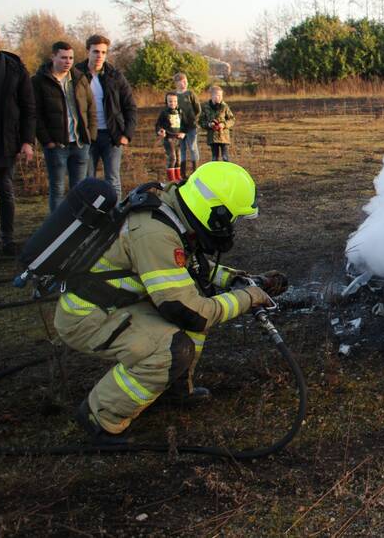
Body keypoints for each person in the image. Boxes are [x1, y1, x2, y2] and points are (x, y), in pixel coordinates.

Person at [54, 162, 288, 443]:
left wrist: (237, 279)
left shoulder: (173, 208)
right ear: (215, 214)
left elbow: (187, 266)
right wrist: (248, 297)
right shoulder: (155, 233)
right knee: (170, 348)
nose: (232, 229)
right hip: (88, 315)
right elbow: (192, 312)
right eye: (232, 220)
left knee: (187, 327)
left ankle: (174, 390)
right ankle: (101, 417)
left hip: (119, 303)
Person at [32, 41, 97, 212]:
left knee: (79, 190)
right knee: (58, 190)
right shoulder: (39, 81)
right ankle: (57, 230)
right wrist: (47, 141)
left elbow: (91, 108)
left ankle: (77, 227)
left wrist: (91, 135)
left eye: (71, 58)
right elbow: (35, 114)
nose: (68, 61)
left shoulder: (79, 78)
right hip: (56, 146)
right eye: (63, 57)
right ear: (53, 57)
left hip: (80, 144)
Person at [0, 22, 35, 255]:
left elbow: (28, 107)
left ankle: (7, 240)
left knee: (5, 189)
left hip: (5, 139)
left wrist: (27, 141)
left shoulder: (15, 68)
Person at [76, 34, 136, 197]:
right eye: (96, 52)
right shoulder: (76, 74)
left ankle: (116, 218)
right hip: (87, 136)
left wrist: (127, 134)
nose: (99, 56)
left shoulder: (115, 75)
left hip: (112, 136)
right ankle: (89, 219)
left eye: (103, 52)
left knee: (113, 180)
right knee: (87, 181)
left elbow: (130, 106)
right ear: (88, 51)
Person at [173, 73, 201, 176]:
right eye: (182, 82)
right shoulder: (174, 95)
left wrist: (193, 121)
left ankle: (195, 171)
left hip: (191, 126)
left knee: (193, 147)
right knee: (182, 149)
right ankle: (183, 174)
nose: (185, 83)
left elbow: (198, 109)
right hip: (179, 128)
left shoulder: (190, 94)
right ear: (176, 83)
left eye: (186, 81)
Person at [198, 84, 234, 161]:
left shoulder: (225, 106)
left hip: (224, 137)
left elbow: (232, 119)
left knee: (225, 157)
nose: (220, 97)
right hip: (212, 137)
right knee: (214, 158)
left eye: (221, 95)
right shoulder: (205, 107)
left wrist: (223, 125)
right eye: (217, 95)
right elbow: (201, 121)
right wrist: (209, 124)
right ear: (211, 96)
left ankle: (227, 172)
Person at [155, 92, 186, 182]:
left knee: (179, 159)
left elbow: (184, 124)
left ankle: (178, 177)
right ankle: (171, 179)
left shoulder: (180, 112)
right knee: (172, 158)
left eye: (175, 101)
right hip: (169, 138)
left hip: (178, 139)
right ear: (167, 102)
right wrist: (160, 131)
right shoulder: (164, 113)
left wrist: (183, 132)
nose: (173, 103)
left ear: (177, 101)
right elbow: (158, 125)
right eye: (170, 101)